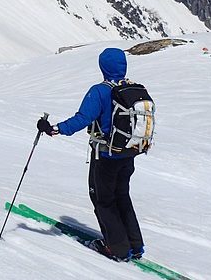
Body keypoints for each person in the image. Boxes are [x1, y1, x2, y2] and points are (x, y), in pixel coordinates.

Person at [36, 48, 145, 262]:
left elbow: (82, 118)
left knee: (103, 200)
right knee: (122, 196)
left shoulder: (99, 91)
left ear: (103, 67)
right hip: (128, 154)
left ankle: (117, 248)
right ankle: (135, 245)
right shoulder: (133, 89)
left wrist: (53, 129)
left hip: (105, 155)